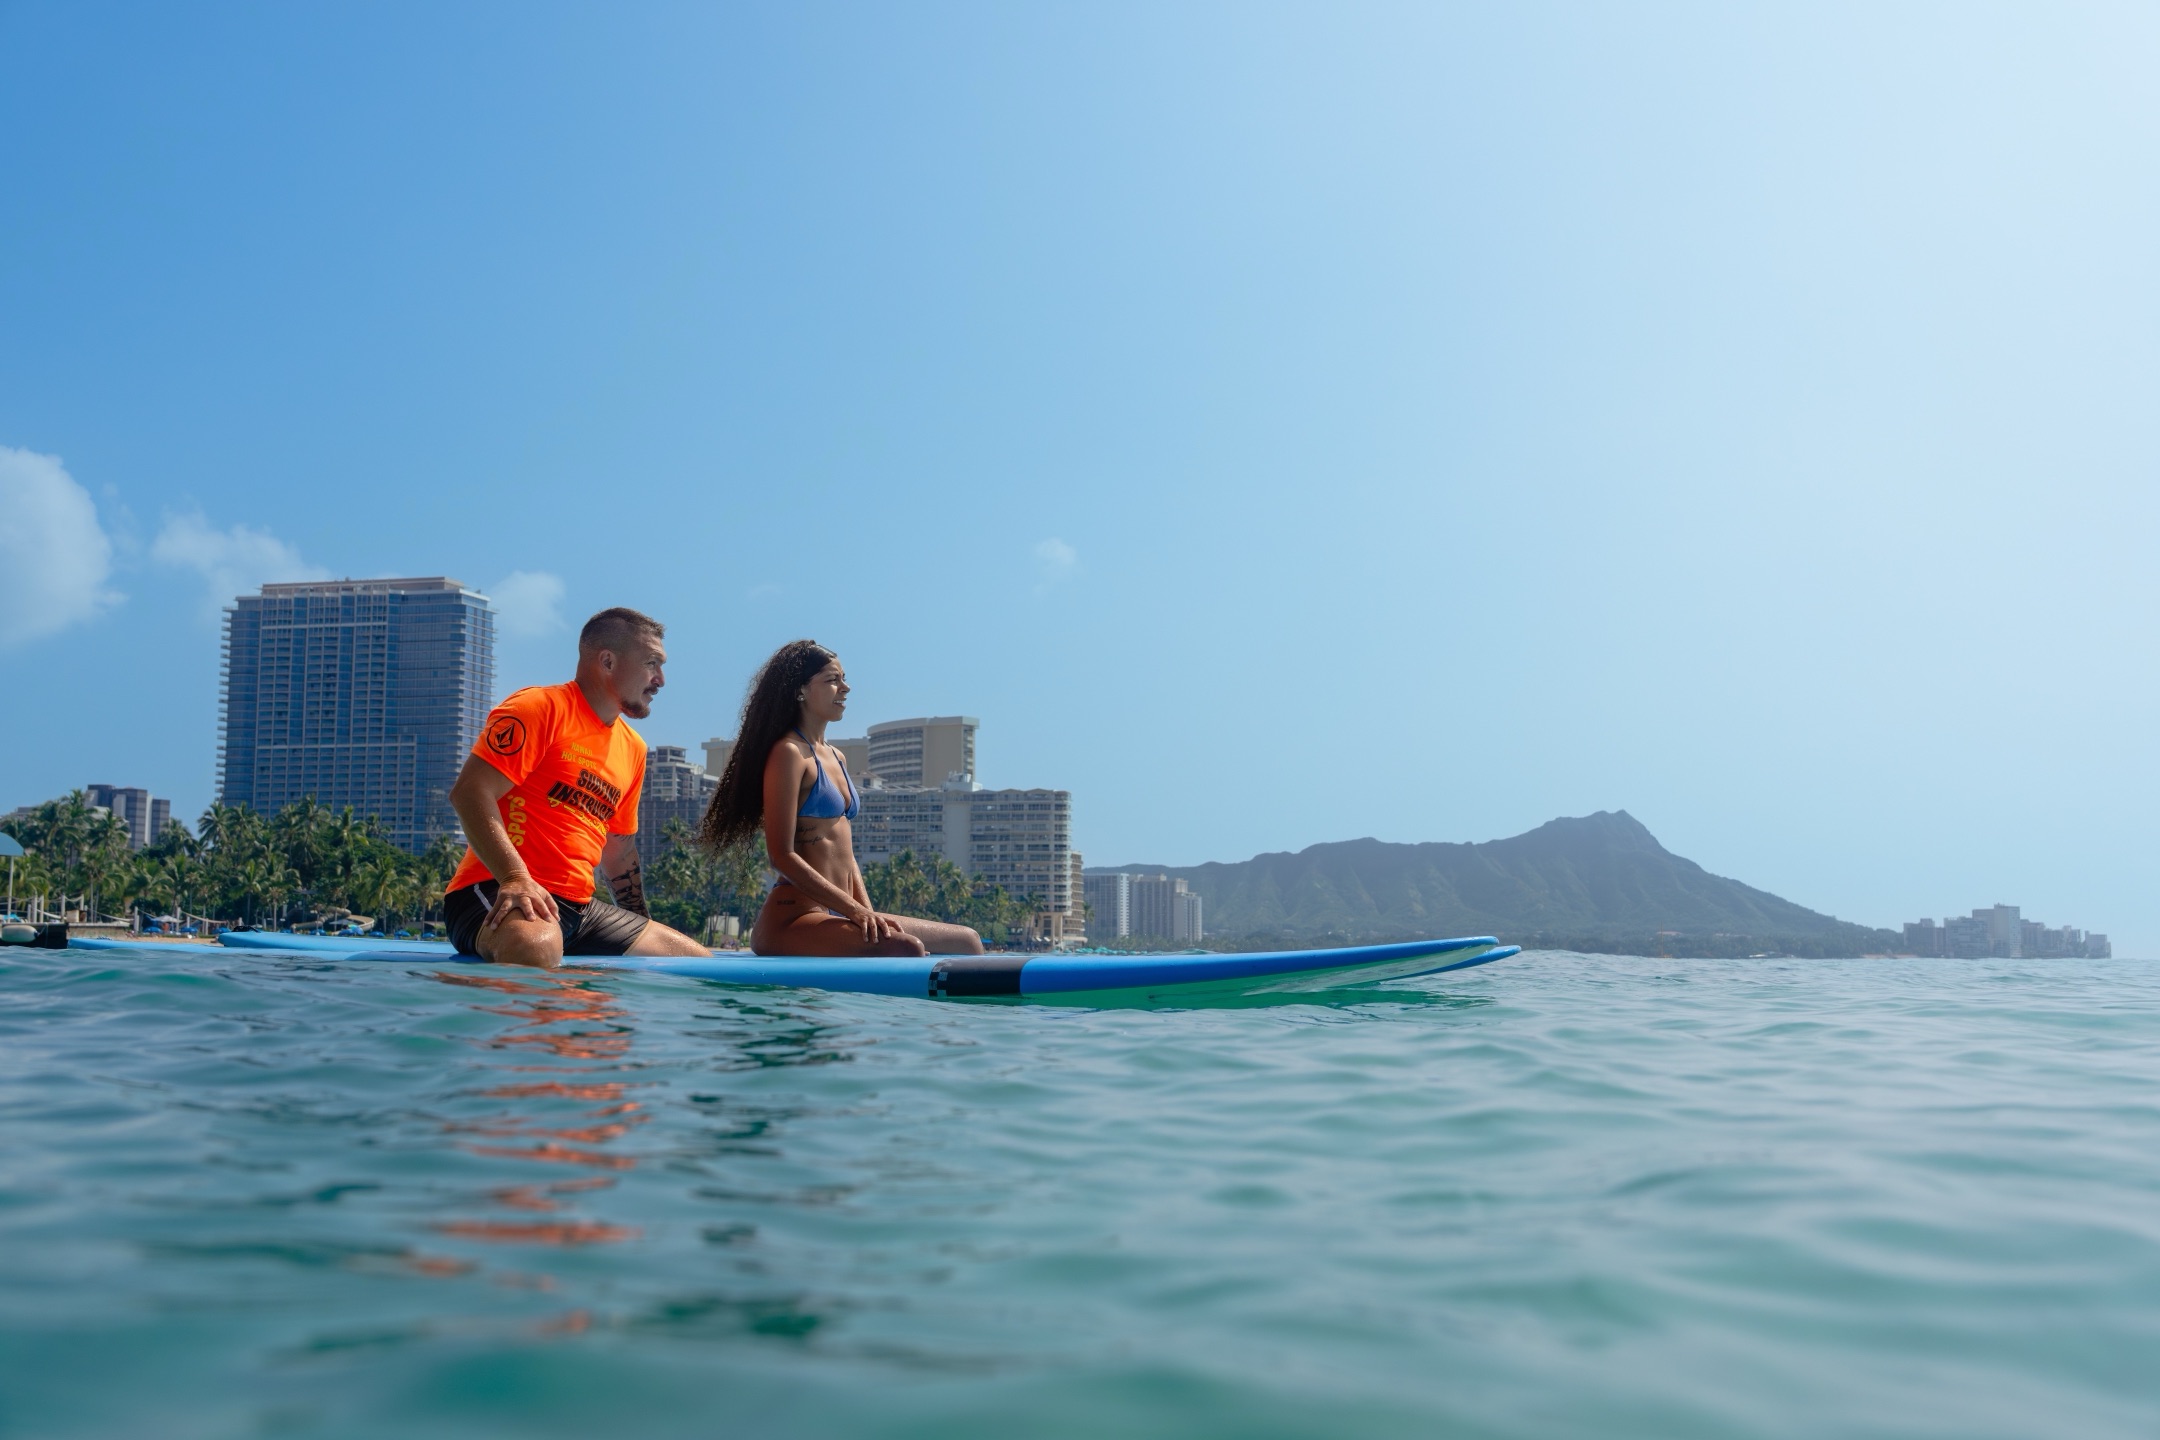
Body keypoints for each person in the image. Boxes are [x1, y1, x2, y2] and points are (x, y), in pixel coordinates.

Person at [442, 607, 711, 969]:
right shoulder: (539, 708)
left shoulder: (633, 747)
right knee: (534, 948)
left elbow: (618, 850)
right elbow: (469, 792)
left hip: (579, 909)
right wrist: (516, 878)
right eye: (651, 663)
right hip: (497, 890)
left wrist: (638, 923)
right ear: (608, 661)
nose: (660, 679)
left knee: (698, 965)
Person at [698, 640, 985, 958]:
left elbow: (847, 860)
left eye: (844, 678)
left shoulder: (837, 757)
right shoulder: (789, 753)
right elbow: (781, 856)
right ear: (801, 690)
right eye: (832, 680)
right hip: (794, 919)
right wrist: (855, 913)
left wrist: (868, 914)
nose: (845, 688)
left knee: (968, 941)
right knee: (906, 949)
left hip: (841, 913)